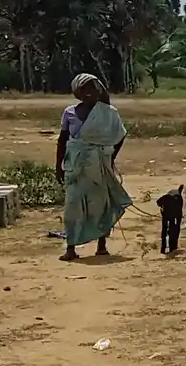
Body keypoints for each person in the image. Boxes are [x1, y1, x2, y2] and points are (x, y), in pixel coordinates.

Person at [56, 73, 132, 262]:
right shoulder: (69, 112)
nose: (89, 92)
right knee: (72, 206)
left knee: (101, 204)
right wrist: (58, 166)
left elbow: (120, 135)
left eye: (93, 88)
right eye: (85, 88)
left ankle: (101, 245)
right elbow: (62, 139)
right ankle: (71, 248)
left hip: (99, 163)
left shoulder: (109, 113)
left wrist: (111, 157)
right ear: (77, 91)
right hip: (75, 165)